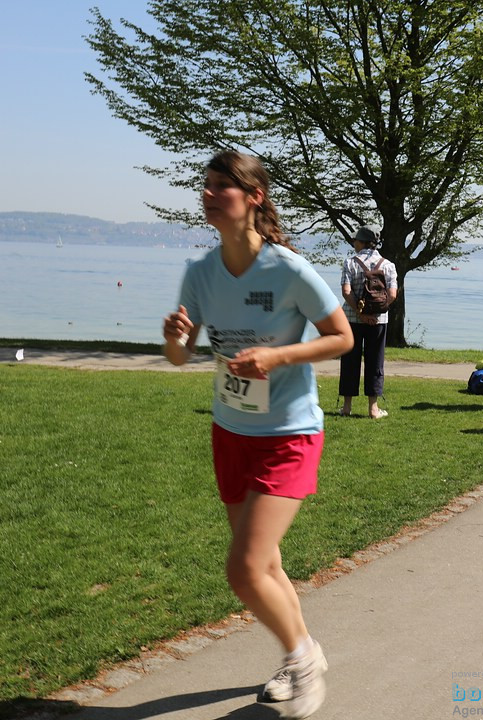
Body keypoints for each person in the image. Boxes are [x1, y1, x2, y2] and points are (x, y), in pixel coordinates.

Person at [162, 150, 353, 719]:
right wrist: (174, 337)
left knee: (245, 566)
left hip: (289, 433)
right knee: (264, 564)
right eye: (207, 185)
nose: (210, 194)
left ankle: (302, 660)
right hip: (230, 431)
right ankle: (302, 655)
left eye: (223, 186)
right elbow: (178, 357)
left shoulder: (288, 269)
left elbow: (341, 336)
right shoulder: (201, 272)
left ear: (254, 197)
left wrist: (278, 355)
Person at [338, 224, 398, 418]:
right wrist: (377, 312)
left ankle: (347, 406)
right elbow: (392, 294)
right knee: (375, 362)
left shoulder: (349, 263)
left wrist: (360, 313)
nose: (354, 242)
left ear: (362, 242)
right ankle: (373, 408)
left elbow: (346, 292)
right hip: (379, 322)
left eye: (355, 240)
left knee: (350, 361)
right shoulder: (388, 265)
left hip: (351, 319)